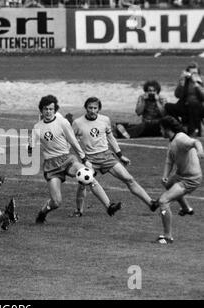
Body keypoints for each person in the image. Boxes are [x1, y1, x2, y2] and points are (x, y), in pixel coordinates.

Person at [30, 95, 122, 224]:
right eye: (45, 109)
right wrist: (30, 148)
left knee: (88, 176)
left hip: (67, 159)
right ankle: (42, 213)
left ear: (55, 109)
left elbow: (73, 142)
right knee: (56, 202)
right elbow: (31, 145)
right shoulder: (37, 127)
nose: (48, 111)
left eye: (51, 109)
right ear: (41, 110)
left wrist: (84, 159)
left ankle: (109, 206)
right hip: (51, 165)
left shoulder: (62, 122)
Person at [72, 97, 159, 217]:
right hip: (89, 159)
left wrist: (120, 155)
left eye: (95, 108)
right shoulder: (77, 123)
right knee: (84, 183)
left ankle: (151, 203)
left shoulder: (105, 120)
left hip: (106, 156)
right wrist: (83, 159)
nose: (92, 110)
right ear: (86, 108)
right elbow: (73, 142)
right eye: (90, 108)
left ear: (99, 109)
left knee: (129, 179)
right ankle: (80, 210)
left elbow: (111, 138)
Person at [154, 116, 203, 244]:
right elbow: (169, 161)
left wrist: (200, 151)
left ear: (167, 129)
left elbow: (195, 142)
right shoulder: (171, 142)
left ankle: (167, 236)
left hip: (190, 179)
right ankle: (186, 209)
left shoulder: (180, 138)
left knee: (163, 201)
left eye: (161, 128)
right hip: (180, 176)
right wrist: (165, 176)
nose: (160, 131)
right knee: (169, 184)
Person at [165, 62, 204, 137]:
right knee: (168, 106)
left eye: (195, 73)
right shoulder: (185, 81)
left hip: (198, 106)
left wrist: (197, 85)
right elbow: (177, 95)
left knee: (193, 104)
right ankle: (178, 127)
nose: (193, 75)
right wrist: (181, 83)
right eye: (191, 73)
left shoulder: (201, 81)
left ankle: (194, 130)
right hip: (185, 105)